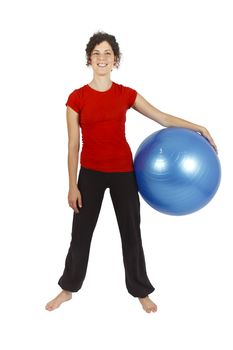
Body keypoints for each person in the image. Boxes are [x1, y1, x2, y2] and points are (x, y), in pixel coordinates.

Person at [45, 31, 217, 314]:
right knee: (81, 234)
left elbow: (162, 117)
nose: (102, 58)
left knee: (131, 233)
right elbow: (73, 145)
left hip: (123, 172)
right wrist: (71, 186)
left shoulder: (126, 94)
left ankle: (140, 291)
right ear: (89, 59)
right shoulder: (76, 98)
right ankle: (67, 289)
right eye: (97, 53)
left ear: (116, 60)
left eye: (108, 53)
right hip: (89, 174)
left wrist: (198, 126)